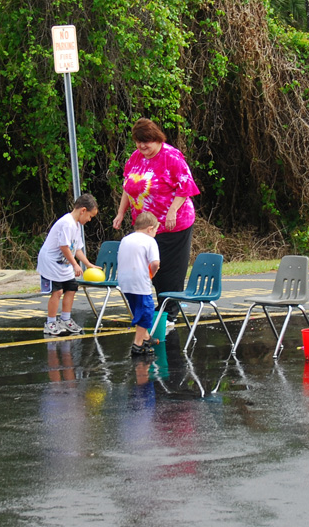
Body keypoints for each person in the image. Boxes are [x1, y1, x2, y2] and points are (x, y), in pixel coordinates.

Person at [112, 118, 200, 322]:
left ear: (157, 139)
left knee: (169, 270)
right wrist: (120, 213)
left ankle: (169, 314)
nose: (143, 146)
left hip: (173, 224)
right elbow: (128, 187)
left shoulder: (171, 156)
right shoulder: (135, 158)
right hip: (145, 227)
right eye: (139, 142)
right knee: (151, 269)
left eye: (147, 142)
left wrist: (172, 211)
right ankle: (158, 310)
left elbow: (185, 186)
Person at [37, 194, 100, 336]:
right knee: (57, 291)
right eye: (90, 216)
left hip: (64, 264)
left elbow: (77, 249)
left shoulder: (77, 225)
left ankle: (65, 319)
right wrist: (75, 265)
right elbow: (64, 247)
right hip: (51, 262)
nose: (89, 220)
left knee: (72, 288)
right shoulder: (67, 223)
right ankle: (50, 322)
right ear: (83, 210)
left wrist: (88, 264)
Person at [117, 211, 161, 357]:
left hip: (124, 281)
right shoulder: (150, 241)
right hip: (139, 281)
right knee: (147, 311)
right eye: (156, 230)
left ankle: (146, 337)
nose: (155, 233)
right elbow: (155, 263)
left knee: (137, 309)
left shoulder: (126, 239)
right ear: (150, 228)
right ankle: (138, 344)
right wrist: (152, 275)